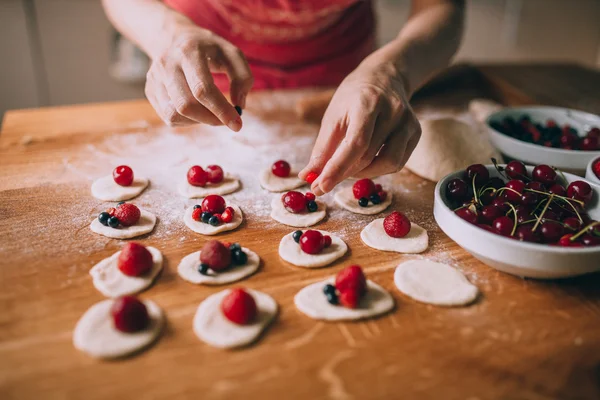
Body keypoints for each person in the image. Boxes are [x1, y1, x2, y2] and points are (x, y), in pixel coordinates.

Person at [102, 0, 464, 196]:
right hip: (201, 59)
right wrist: (166, 33)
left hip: (342, 74)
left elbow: (441, 6)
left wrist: (393, 73)